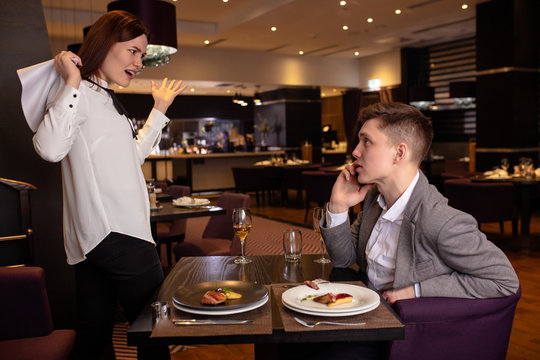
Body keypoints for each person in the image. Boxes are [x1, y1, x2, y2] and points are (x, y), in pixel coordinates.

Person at [31, 10, 185, 360]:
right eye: (133, 50)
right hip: (120, 235)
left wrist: (159, 110)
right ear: (104, 44)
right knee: (154, 331)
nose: (139, 61)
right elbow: (49, 148)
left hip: (95, 240)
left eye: (142, 55)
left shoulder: (102, 98)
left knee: (94, 336)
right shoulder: (79, 93)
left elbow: (130, 157)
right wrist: (70, 81)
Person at [321, 102, 519, 304]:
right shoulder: (374, 199)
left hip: (407, 328)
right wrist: (338, 206)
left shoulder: (439, 221)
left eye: (367, 142)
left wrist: (416, 290)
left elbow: (504, 280)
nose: (355, 151)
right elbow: (343, 259)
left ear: (399, 153)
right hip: (365, 312)